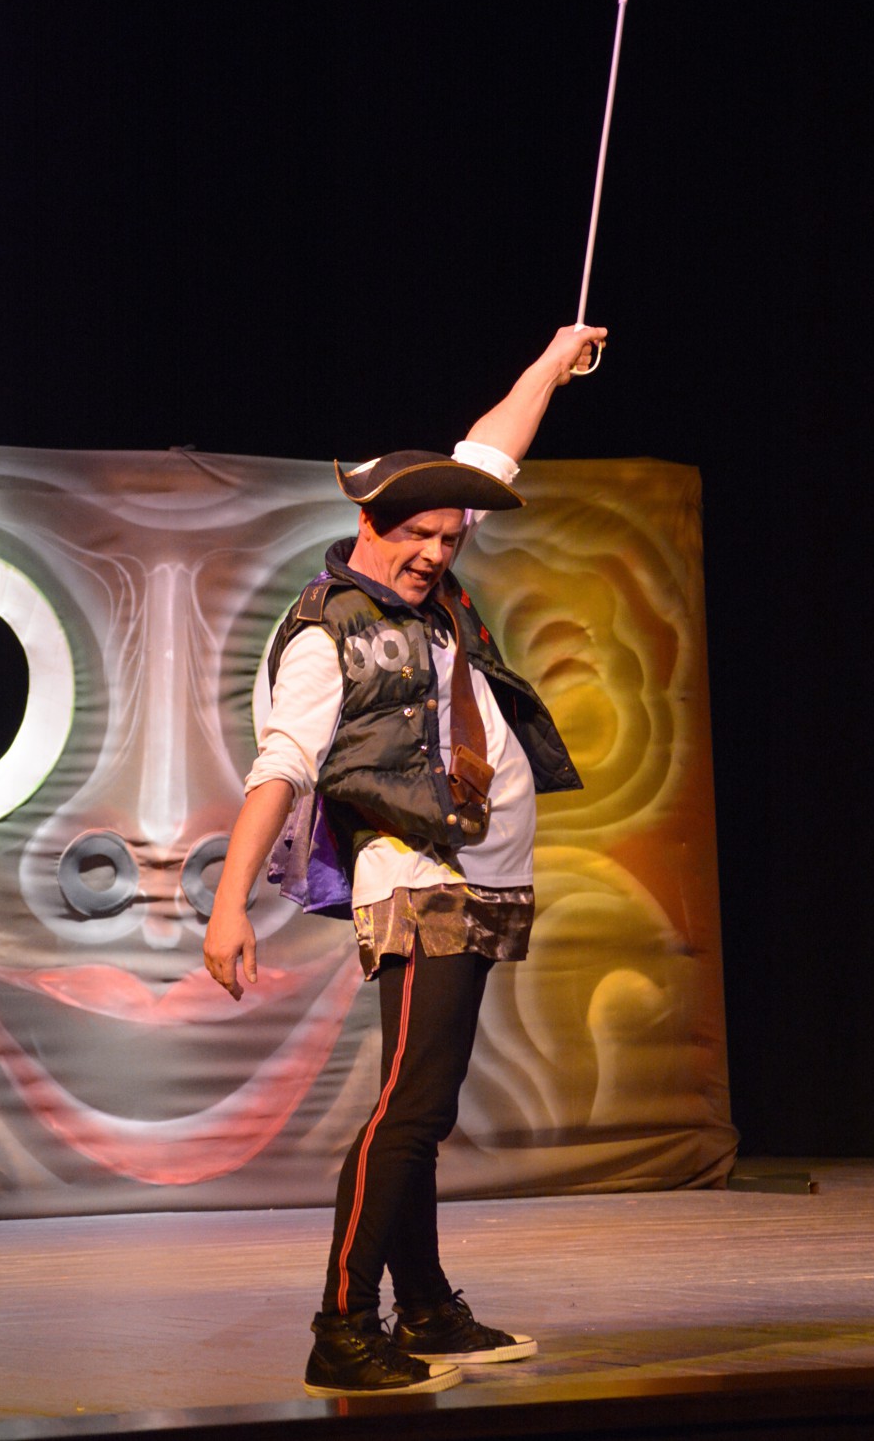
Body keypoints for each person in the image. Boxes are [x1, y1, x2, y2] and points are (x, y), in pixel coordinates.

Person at [203, 322, 607, 1397]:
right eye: (415, 535)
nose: (434, 552)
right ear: (367, 525)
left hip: (477, 875)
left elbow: (488, 454)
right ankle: (342, 1324)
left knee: (423, 1107)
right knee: (411, 1106)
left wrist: (549, 363)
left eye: (448, 537)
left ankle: (423, 1304)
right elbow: (282, 766)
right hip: (420, 878)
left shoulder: (430, 596)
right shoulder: (327, 631)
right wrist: (229, 903)